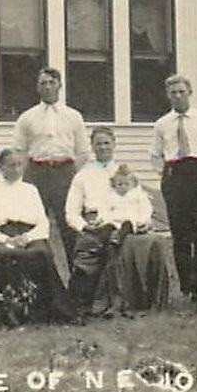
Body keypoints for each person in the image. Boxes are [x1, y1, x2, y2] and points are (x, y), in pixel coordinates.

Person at [0, 148, 69, 326]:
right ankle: (0, 312)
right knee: (4, 256)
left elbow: (43, 224)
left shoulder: (30, 190)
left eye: (19, 165)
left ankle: (41, 311)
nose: (15, 169)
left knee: (41, 254)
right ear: (1, 167)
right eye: (11, 165)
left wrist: (26, 238)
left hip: (27, 235)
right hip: (0, 236)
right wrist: (5, 240)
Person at [150, 74, 197, 309]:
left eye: (181, 91)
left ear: (189, 92)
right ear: (167, 96)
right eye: (173, 93)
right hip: (175, 176)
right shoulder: (162, 124)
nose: (178, 96)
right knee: (181, 236)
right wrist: (168, 177)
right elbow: (155, 155)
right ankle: (188, 288)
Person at [11, 67, 89, 282]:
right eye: (43, 83)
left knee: (70, 228)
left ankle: (78, 285)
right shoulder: (27, 117)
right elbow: (18, 151)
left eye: (51, 83)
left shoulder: (73, 116)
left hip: (65, 173)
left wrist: (75, 177)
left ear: (60, 86)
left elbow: (83, 152)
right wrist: (23, 180)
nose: (47, 87)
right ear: (37, 87)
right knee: (33, 226)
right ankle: (38, 283)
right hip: (37, 173)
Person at [64, 126, 121, 313]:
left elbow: (136, 200)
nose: (103, 148)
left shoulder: (124, 171)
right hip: (93, 222)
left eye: (107, 143)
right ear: (92, 147)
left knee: (116, 245)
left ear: (114, 144)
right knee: (88, 250)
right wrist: (83, 226)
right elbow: (71, 211)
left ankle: (114, 301)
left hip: (119, 219)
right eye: (98, 144)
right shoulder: (83, 175)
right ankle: (84, 303)